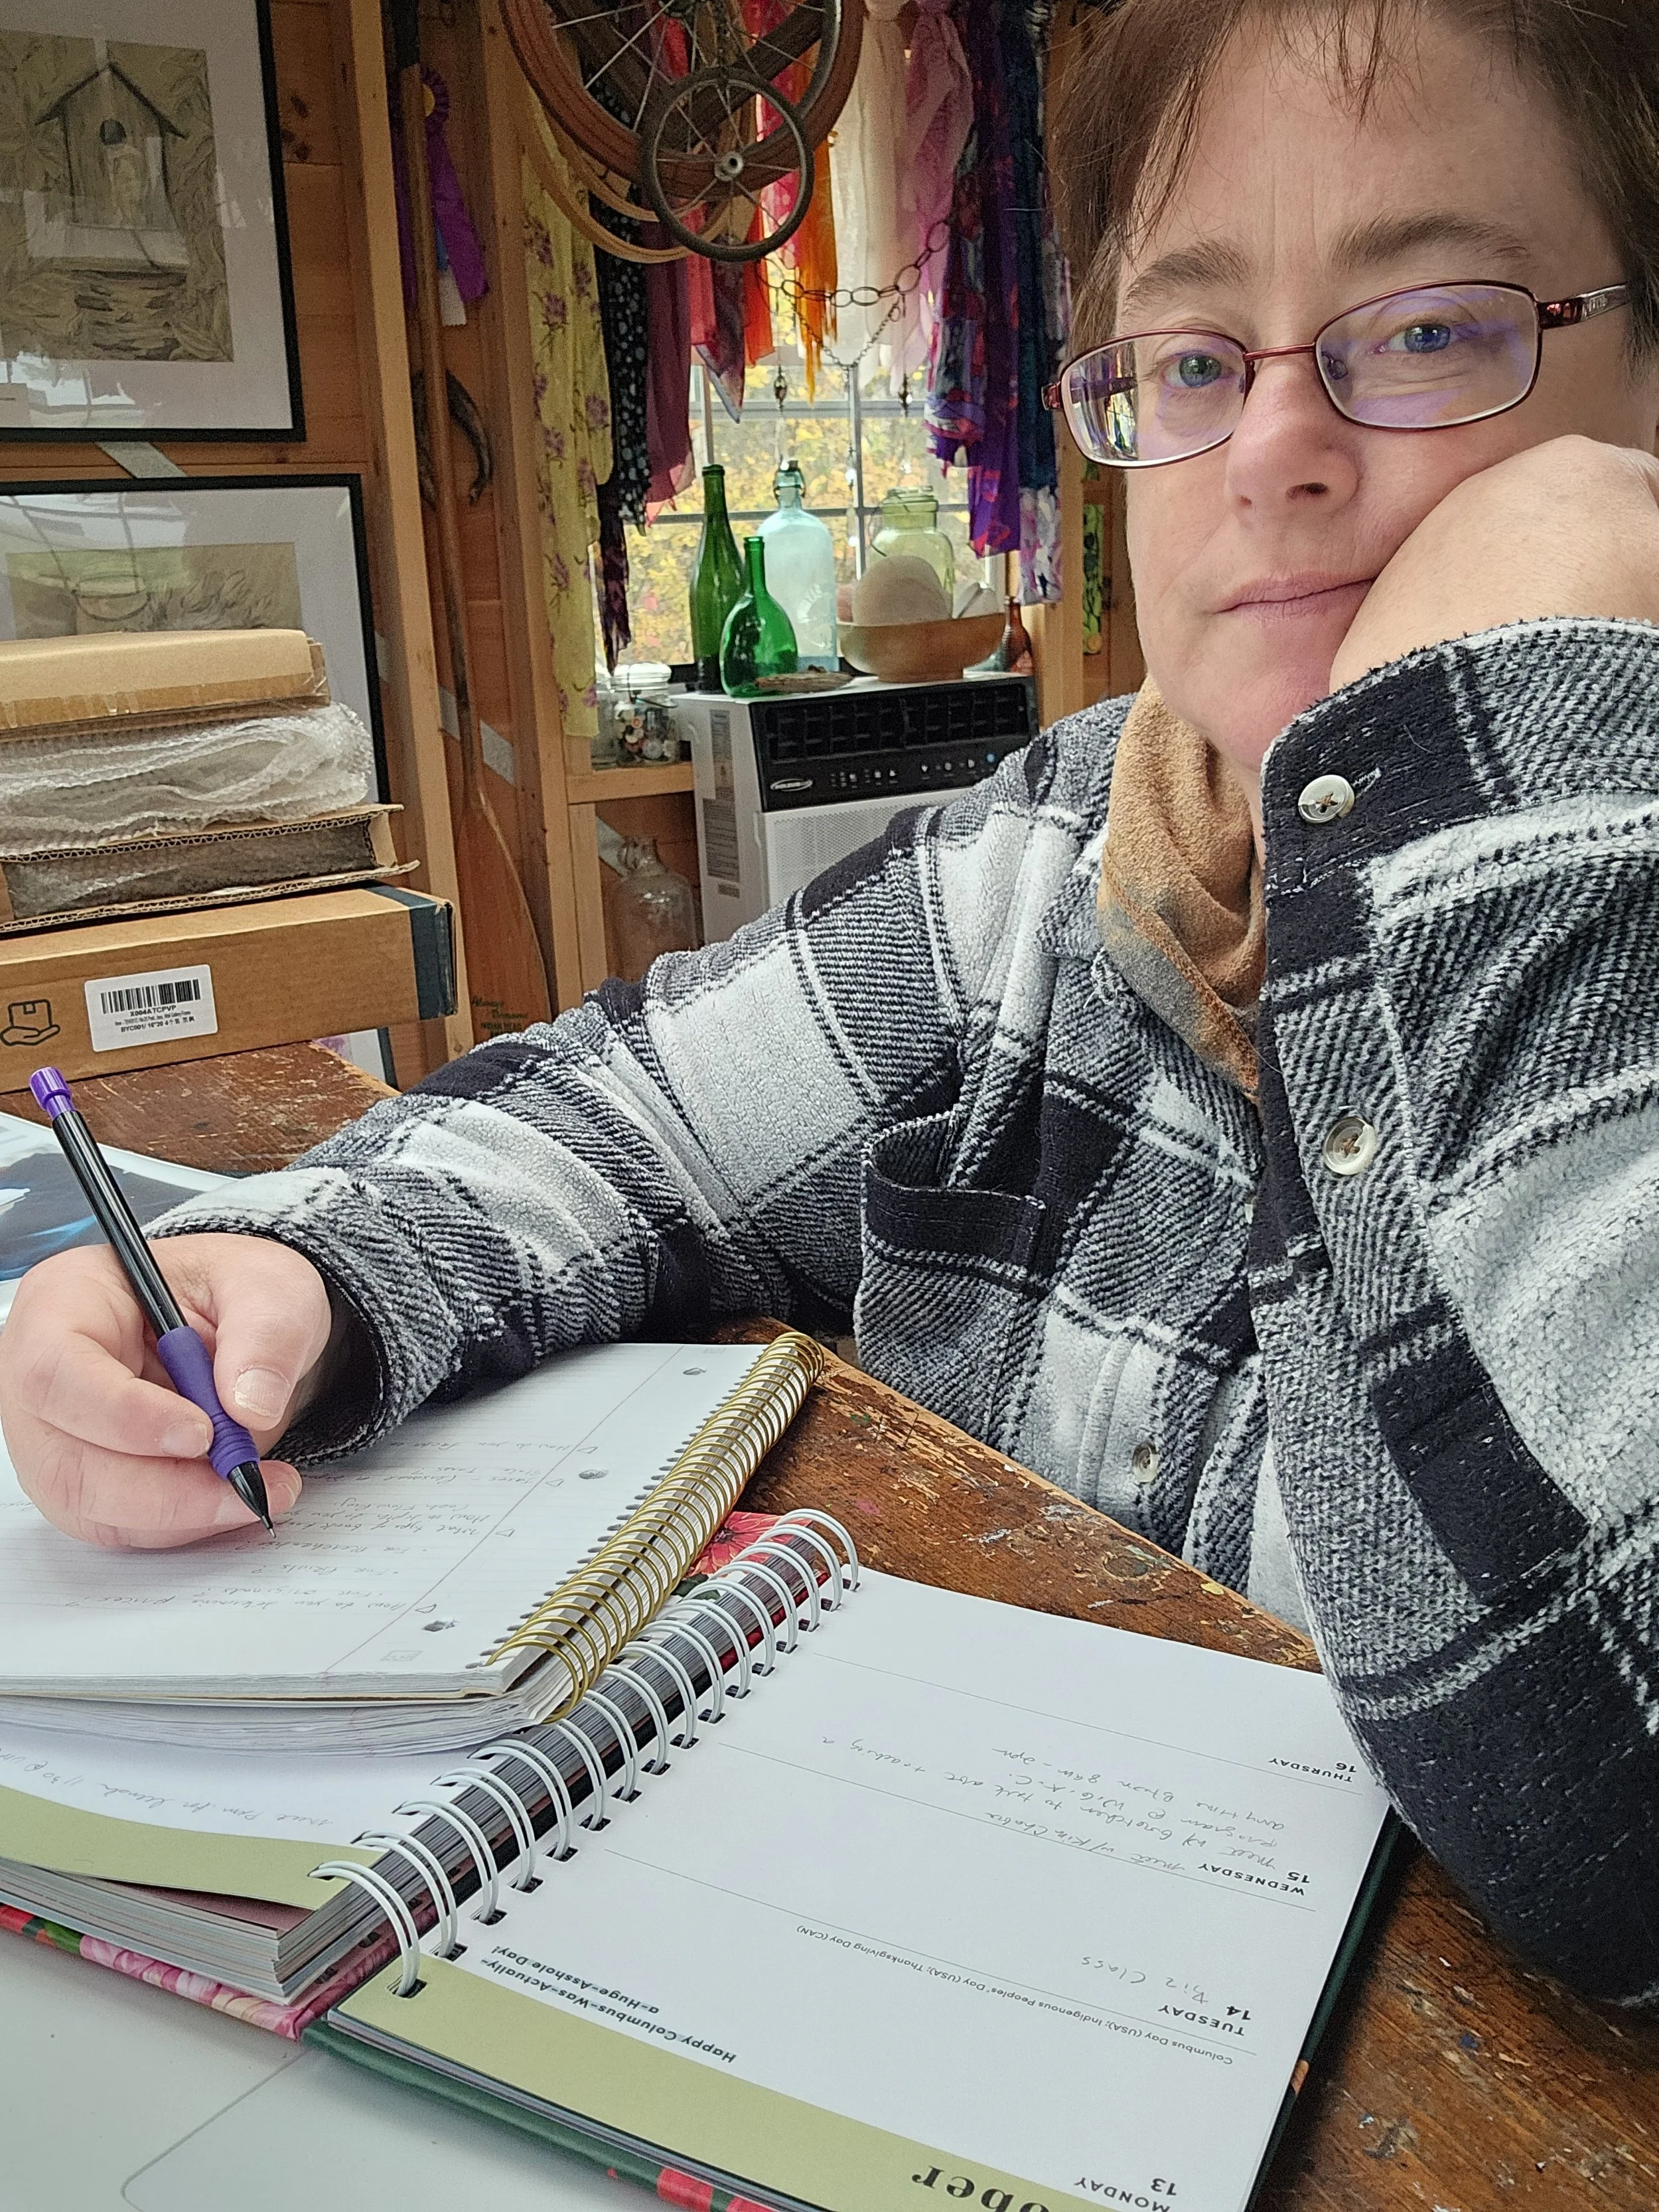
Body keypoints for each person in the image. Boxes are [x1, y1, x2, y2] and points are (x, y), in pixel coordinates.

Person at [3, 0, 1656, 2007]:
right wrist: (302, 1266)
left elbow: (1606, 1809)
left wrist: (1471, 782)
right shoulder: (1068, 859)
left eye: (1422, 330)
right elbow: (621, 1122)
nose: (1275, 453)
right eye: (1193, 360)